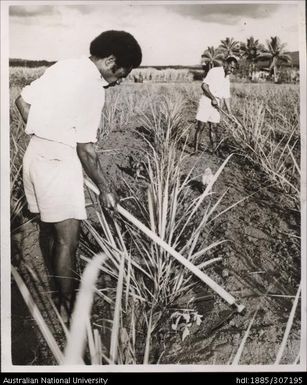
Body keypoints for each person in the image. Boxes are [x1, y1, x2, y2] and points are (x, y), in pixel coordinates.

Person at [15, 30, 142, 320]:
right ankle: (69, 310)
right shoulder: (92, 88)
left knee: (49, 229)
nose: (120, 79)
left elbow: (21, 102)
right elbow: (86, 150)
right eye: (123, 72)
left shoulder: (64, 66)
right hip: (59, 160)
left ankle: (59, 296)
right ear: (111, 60)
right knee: (67, 240)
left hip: (35, 154)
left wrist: (47, 133)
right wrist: (105, 188)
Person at [193, 56, 238, 153]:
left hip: (217, 103)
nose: (232, 70)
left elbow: (226, 96)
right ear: (225, 64)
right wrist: (213, 98)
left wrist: (230, 113)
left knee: (214, 127)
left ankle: (215, 150)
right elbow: (204, 85)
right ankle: (195, 150)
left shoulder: (227, 78)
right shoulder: (214, 71)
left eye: (234, 68)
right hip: (207, 100)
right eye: (231, 67)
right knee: (201, 126)